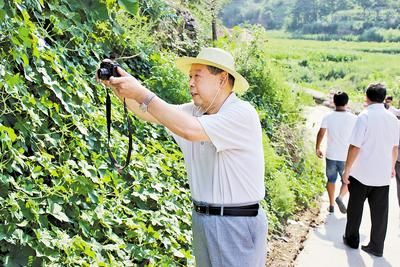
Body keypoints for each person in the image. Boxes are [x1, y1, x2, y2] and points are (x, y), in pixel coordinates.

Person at [100, 47, 268, 266]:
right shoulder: (194, 112)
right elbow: (147, 110)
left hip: (236, 222)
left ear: (222, 79)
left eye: (197, 76)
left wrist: (141, 92)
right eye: (190, 77)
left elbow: (189, 129)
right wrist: (118, 86)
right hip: (203, 219)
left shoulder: (241, 113)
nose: (190, 83)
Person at [342, 83, 399, 257]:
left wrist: (347, 170)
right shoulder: (393, 119)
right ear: (383, 98)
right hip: (382, 175)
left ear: (367, 97)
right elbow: (395, 147)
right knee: (380, 214)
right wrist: (391, 168)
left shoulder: (364, 116)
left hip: (361, 173)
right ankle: (376, 246)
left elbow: (354, 147)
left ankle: (352, 240)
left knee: (355, 209)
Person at [316, 92, 357, 214]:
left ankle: (331, 205)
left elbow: (321, 133)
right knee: (347, 181)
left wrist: (317, 148)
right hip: (347, 157)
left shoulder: (328, 117)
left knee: (331, 180)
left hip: (331, 155)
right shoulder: (354, 118)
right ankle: (340, 197)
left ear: (334, 102)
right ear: (347, 102)